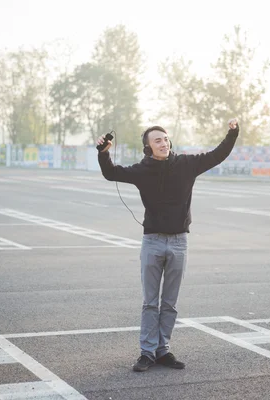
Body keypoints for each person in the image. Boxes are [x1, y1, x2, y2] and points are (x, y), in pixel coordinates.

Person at [96, 118, 239, 372]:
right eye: (157, 140)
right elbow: (111, 173)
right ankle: (147, 352)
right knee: (150, 303)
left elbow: (218, 155)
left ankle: (163, 350)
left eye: (165, 138)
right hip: (152, 241)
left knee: (170, 303)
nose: (163, 143)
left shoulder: (186, 164)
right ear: (148, 147)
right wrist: (104, 153)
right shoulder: (142, 169)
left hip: (179, 242)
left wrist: (232, 133)